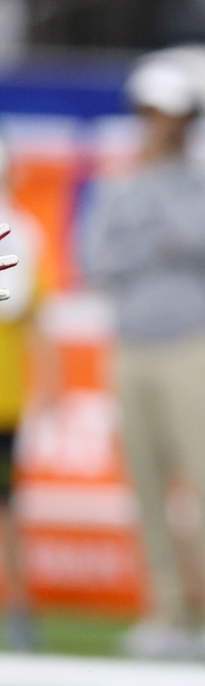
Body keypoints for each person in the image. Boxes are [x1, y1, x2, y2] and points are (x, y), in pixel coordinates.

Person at [83, 55, 205, 660]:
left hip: (192, 341)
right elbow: (95, 259)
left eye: (165, 113)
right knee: (148, 484)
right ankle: (166, 611)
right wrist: (156, 233)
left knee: (203, 480)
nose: (155, 124)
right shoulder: (121, 177)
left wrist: (154, 211)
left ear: (187, 118)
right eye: (148, 113)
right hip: (131, 343)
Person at [0, 177, 42, 650]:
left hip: (4, 396)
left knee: (8, 505)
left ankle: (19, 612)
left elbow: (17, 306)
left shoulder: (18, 229)